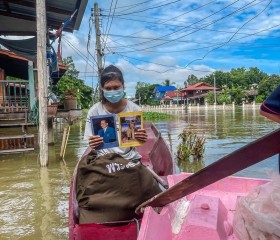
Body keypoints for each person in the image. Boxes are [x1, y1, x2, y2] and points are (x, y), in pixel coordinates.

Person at [77, 65, 161, 224]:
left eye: (116, 87)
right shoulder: (95, 111)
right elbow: (90, 140)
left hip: (129, 158)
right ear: (102, 89)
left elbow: (138, 141)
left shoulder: (133, 108)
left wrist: (141, 139)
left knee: (147, 186)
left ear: (123, 86)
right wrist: (93, 142)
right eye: (108, 88)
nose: (113, 91)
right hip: (104, 159)